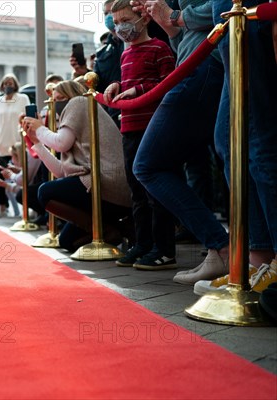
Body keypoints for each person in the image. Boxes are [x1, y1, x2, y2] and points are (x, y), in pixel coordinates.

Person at [130, 0, 227, 284]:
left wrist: (175, 15)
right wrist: (168, 24)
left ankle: (222, 246)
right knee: (158, 165)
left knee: (148, 165)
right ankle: (220, 246)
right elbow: (184, 44)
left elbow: (221, 9)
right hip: (195, 65)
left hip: (205, 66)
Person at [193, 0, 277, 295]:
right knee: (230, 141)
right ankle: (258, 259)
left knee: (257, 137)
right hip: (231, 17)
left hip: (248, 11)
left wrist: (180, 16)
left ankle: (273, 263)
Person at [103, 0, 177, 270]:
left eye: (124, 20)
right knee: (136, 191)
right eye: (116, 22)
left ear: (143, 19)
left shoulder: (160, 48)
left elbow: (169, 84)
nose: (120, 27)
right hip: (129, 127)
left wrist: (139, 90)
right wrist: (117, 85)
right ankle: (143, 244)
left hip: (153, 126)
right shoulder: (125, 54)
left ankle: (164, 248)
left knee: (154, 191)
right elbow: (129, 82)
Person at [22, 80, 132, 253]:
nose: (57, 104)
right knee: (67, 242)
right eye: (54, 100)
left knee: (45, 192)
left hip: (108, 185)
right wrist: (37, 142)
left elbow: (61, 144)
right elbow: (61, 171)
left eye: (61, 98)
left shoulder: (79, 102)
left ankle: (107, 230)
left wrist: (40, 129)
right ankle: (116, 229)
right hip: (98, 186)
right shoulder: (77, 119)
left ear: (72, 95)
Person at [0, 73, 30, 218]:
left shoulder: (23, 99)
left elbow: (27, 118)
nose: (8, 86)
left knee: (21, 176)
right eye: (5, 83)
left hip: (17, 146)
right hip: (0, 147)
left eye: (10, 83)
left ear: (15, 84)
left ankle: (25, 208)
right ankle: (2, 207)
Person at [0, 142, 48, 224]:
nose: (11, 160)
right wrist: (5, 184)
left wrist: (10, 175)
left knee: (22, 195)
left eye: (12, 156)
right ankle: (43, 214)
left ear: (18, 154)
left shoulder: (31, 155)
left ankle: (46, 215)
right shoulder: (30, 155)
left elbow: (22, 181)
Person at [94, 0, 125, 128]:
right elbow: (97, 87)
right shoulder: (102, 52)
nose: (109, 17)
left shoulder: (134, 40)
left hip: (135, 107)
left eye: (112, 12)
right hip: (112, 114)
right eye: (105, 13)